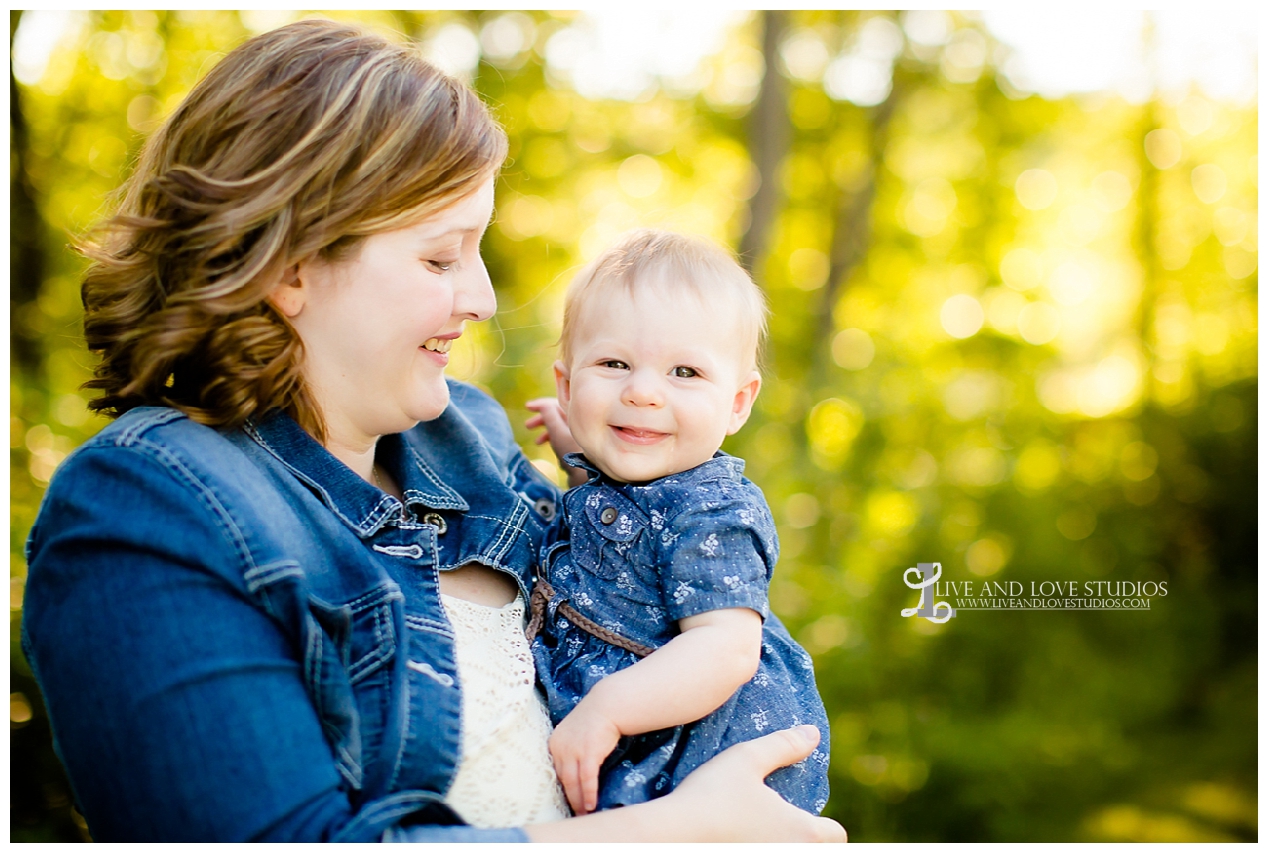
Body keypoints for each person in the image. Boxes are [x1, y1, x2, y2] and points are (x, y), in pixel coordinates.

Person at [19, 19, 846, 843]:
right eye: (441, 258)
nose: (481, 298)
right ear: (290, 266)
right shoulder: (148, 505)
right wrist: (672, 832)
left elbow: (661, 586)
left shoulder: (470, 439)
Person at [522, 230, 830, 817]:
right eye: (613, 364)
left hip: (697, 755)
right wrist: (574, 444)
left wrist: (608, 709)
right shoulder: (624, 479)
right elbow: (611, 521)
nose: (641, 392)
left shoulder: (712, 512)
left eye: (685, 372)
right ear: (566, 387)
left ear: (738, 402)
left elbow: (724, 648)